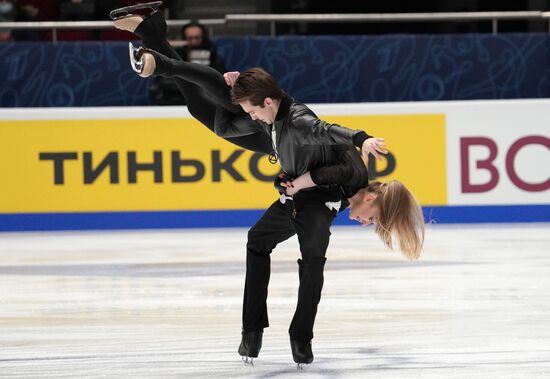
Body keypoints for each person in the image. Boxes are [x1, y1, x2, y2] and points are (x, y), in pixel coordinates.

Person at [110, 2, 425, 367]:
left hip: (279, 155)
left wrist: (287, 181)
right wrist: (361, 139)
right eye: (372, 218)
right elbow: (325, 151)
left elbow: (316, 172)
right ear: (371, 197)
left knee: (208, 112)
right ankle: (282, 335)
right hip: (288, 165)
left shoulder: (351, 185)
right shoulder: (353, 171)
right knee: (301, 258)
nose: (365, 223)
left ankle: (152, 34)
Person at [149, 20, 226, 105]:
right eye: (190, 38)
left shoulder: (212, 54)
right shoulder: (176, 54)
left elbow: (219, 77)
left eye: (197, 38)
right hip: (180, 95)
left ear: (203, 37)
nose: (193, 42)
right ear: (184, 38)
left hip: (207, 96)